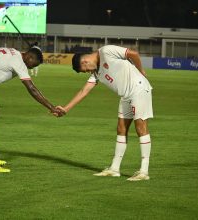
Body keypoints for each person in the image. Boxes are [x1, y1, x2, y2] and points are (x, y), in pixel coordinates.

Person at [57, 45, 153, 181]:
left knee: (141, 128)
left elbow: (133, 54)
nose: (86, 72)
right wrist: (66, 109)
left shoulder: (106, 51)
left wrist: (141, 71)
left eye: (84, 70)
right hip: (126, 95)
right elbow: (84, 91)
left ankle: (144, 171)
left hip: (139, 89)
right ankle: (114, 169)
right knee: (121, 129)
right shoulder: (96, 72)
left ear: (84, 62)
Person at [0, 45, 65, 172]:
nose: (32, 67)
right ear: (29, 56)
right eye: (33, 64)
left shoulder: (11, 50)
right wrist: (51, 107)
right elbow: (32, 88)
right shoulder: (19, 62)